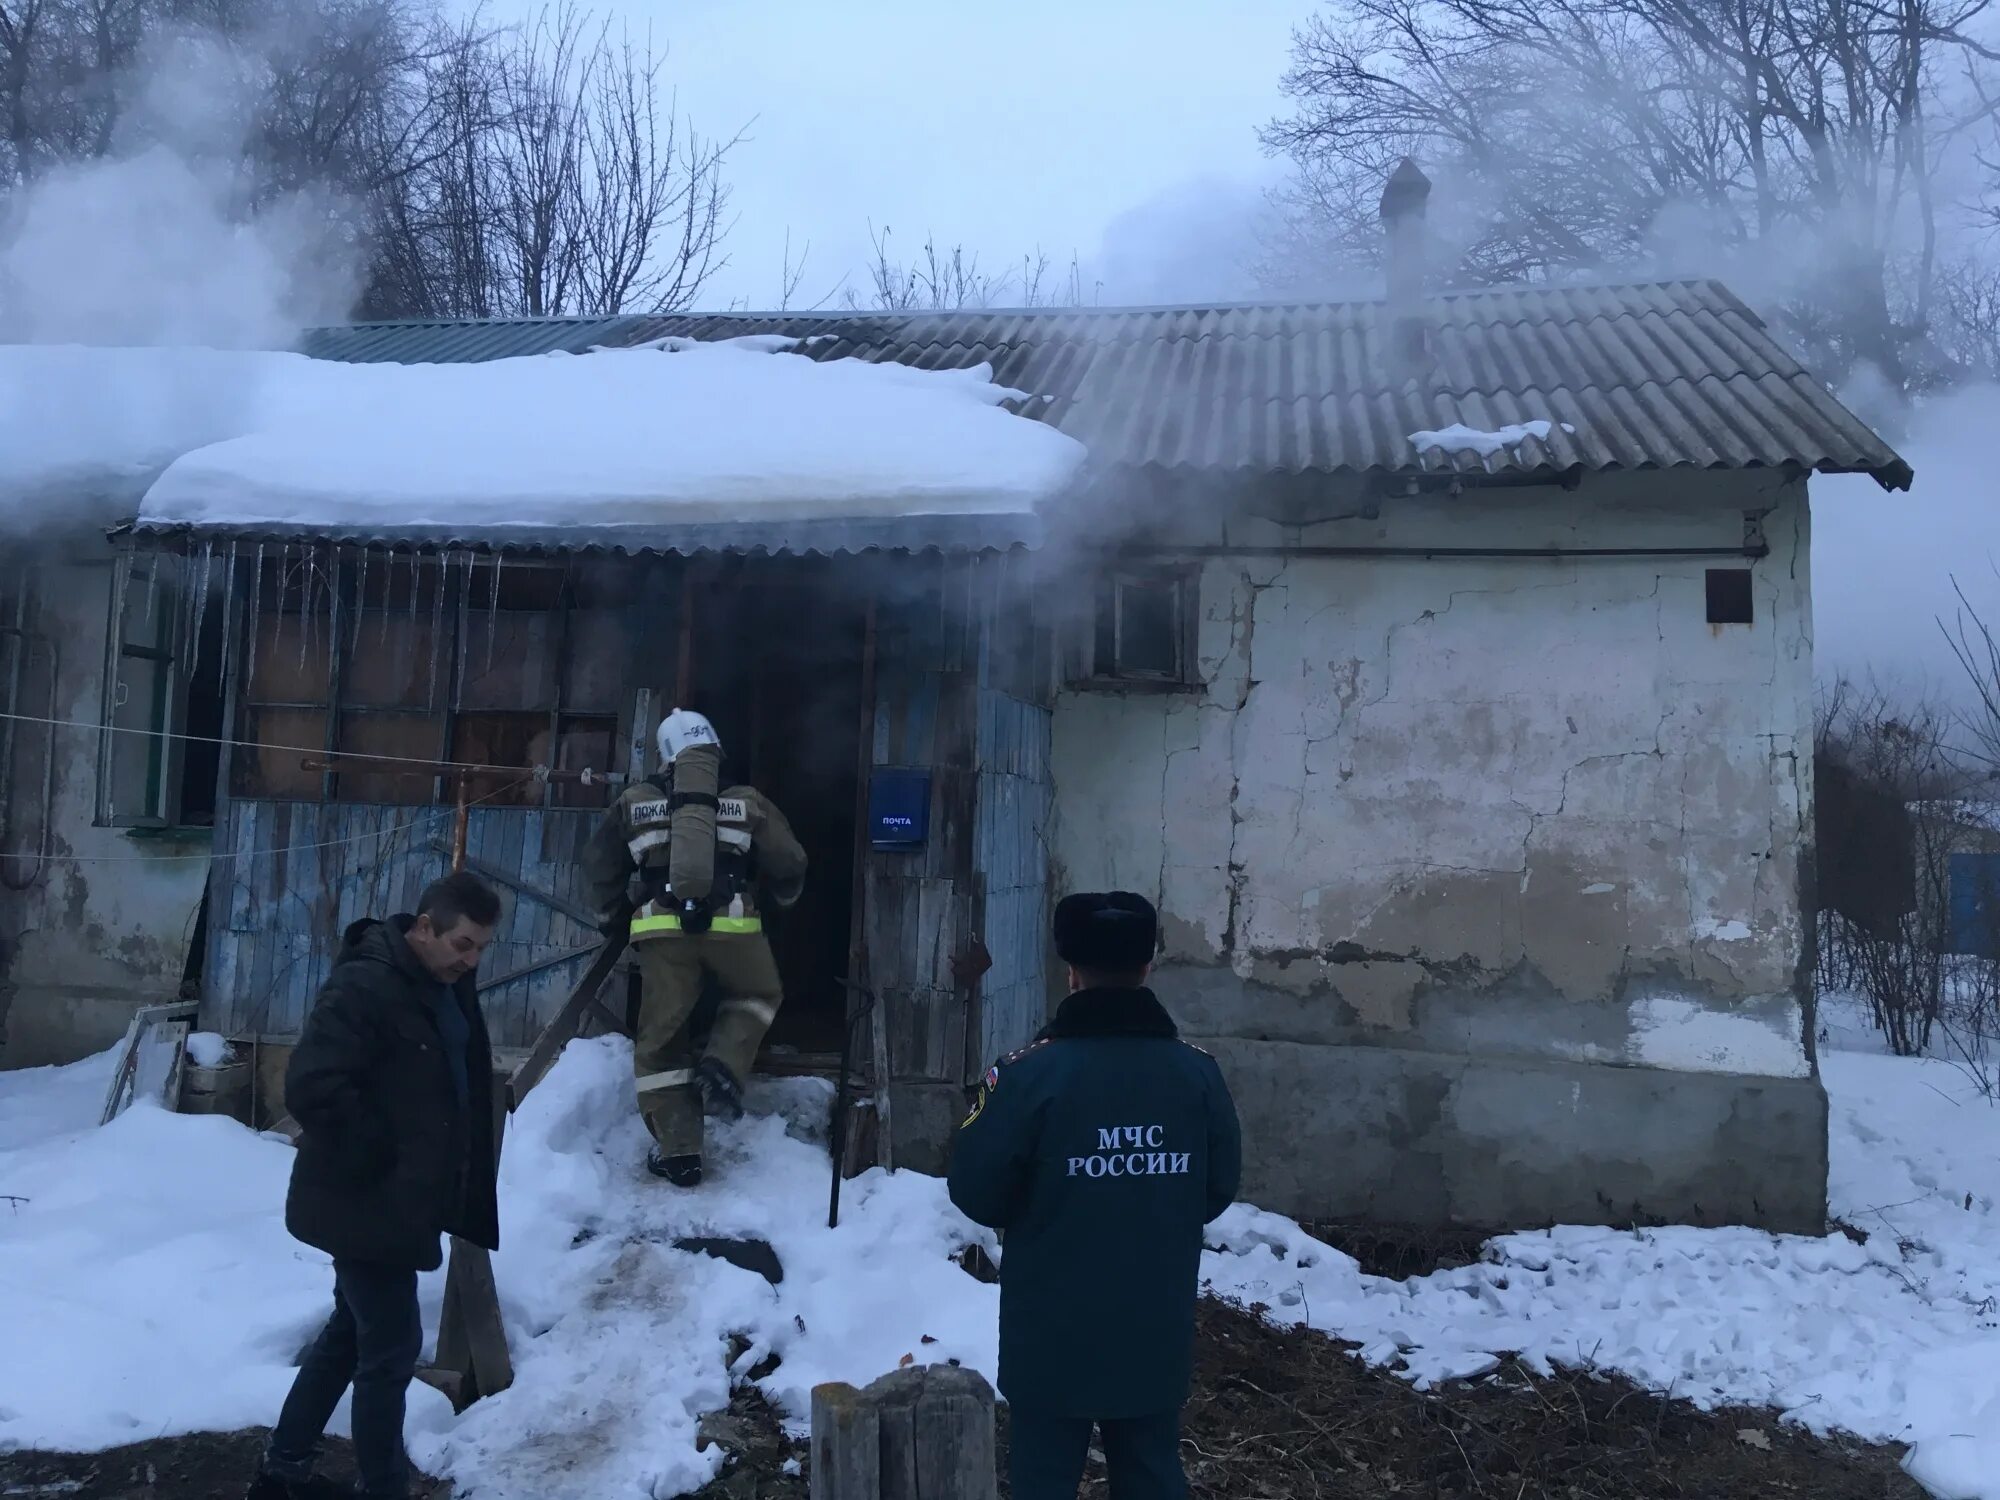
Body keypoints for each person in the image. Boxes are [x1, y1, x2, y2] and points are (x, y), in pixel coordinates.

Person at [947, 892, 1242, 1500]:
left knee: (1042, 1482)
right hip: (1152, 1326)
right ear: (1147, 966)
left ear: (1070, 971)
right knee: (1153, 1474)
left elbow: (976, 1192)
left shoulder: (1026, 1075)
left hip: (1051, 1332)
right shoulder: (1197, 1074)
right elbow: (1215, 1189)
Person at [247, 872, 503, 1500]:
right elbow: (312, 1086)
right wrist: (383, 1157)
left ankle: (281, 1474)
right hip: (362, 1200)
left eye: (480, 949)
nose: (471, 960)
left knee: (348, 1334)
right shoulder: (365, 985)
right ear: (423, 927)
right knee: (390, 1349)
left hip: (401, 1200)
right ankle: (384, 1487)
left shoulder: (444, 983)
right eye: (462, 944)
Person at [581, 708, 807, 1186]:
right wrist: (784, 897)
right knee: (757, 994)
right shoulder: (746, 801)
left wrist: (614, 919)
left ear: (665, 757)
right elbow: (790, 859)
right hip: (733, 927)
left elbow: (600, 865)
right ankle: (723, 1066)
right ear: (715, 752)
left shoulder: (634, 801)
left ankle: (679, 1152)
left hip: (661, 933)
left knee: (663, 1041)